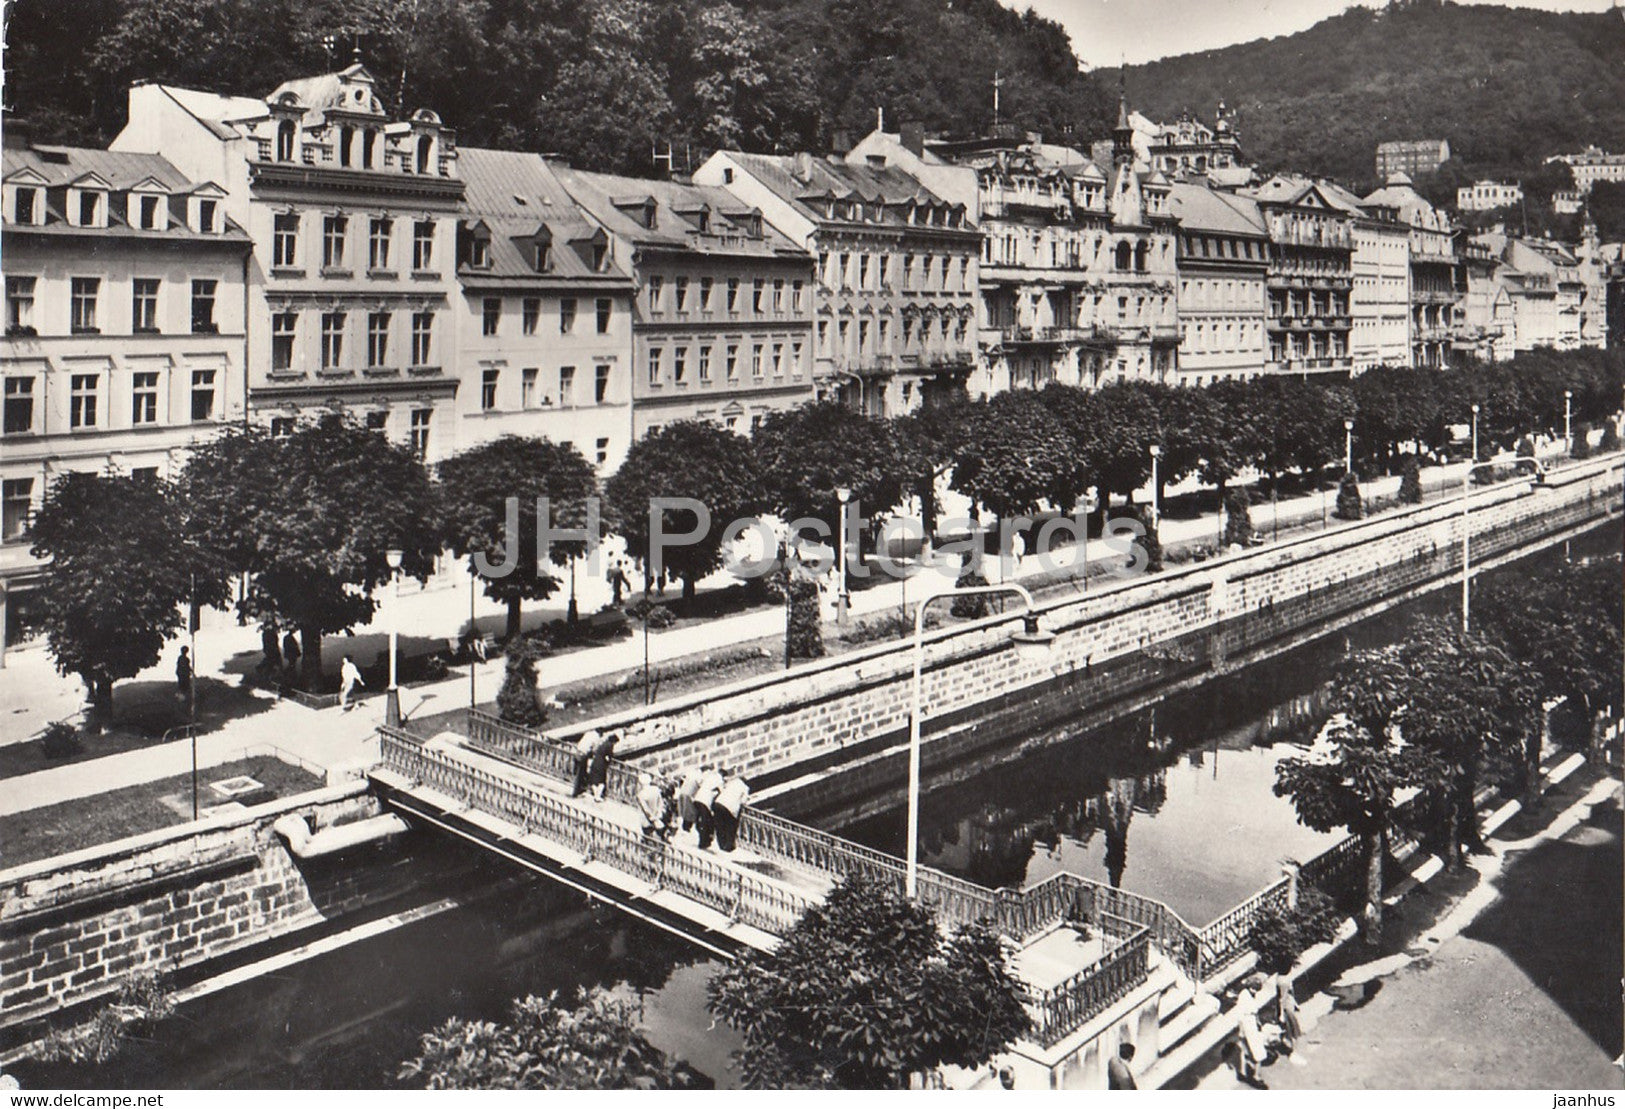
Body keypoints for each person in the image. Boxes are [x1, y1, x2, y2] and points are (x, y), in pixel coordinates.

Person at [712, 769, 750, 853]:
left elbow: (722, 789)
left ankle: (721, 845)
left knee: (720, 825)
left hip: (718, 803)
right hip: (729, 808)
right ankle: (729, 847)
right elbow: (743, 801)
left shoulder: (732, 782)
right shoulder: (745, 788)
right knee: (730, 826)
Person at [692, 764, 723, 849]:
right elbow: (721, 792)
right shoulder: (719, 780)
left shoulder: (710, 777)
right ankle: (703, 842)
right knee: (706, 823)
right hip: (704, 802)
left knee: (701, 820)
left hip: (697, 799)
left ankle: (703, 839)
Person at [636, 773, 672, 839]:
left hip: (647, 820)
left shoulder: (641, 795)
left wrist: (653, 818)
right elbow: (660, 802)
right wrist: (658, 814)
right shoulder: (656, 789)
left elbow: (646, 809)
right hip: (658, 815)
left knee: (648, 836)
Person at [588, 731, 619, 801]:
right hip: (601, 765)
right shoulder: (609, 745)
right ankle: (597, 796)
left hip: (595, 762)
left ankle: (596, 794)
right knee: (601, 782)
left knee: (593, 780)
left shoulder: (603, 744)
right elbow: (609, 755)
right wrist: (609, 761)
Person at [676, 765, 703, 836]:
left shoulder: (691, 772)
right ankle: (687, 828)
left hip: (683, 792)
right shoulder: (699, 776)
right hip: (688, 795)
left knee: (685, 810)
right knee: (690, 812)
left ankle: (686, 827)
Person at [571, 730, 599, 797]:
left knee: (578, 772)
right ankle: (577, 792)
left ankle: (579, 789)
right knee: (581, 773)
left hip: (578, 752)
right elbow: (595, 748)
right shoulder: (596, 737)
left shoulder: (588, 733)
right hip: (583, 755)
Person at [175, 646, 193, 713]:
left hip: (182, 674)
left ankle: (183, 701)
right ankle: (182, 702)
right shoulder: (183, 659)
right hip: (183, 675)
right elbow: (185, 667)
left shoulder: (182, 658)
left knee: (182, 688)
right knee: (183, 688)